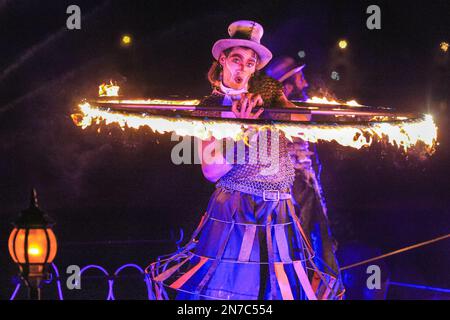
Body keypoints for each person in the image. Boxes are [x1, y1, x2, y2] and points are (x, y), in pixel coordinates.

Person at [148, 20, 343, 300]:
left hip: (279, 208)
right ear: (223, 60)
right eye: (237, 60)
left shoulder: (270, 91)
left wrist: (278, 110)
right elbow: (211, 169)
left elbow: (302, 123)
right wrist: (243, 131)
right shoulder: (212, 107)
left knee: (280, 290)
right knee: (237, 291)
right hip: (238, 208)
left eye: (250, 63)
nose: (243, 68)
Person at [266, 57, 345, 298]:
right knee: (301, 246)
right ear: (287, 87)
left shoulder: (298, 110)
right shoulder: (282, 113)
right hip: (294, 185)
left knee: (316, 244)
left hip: (306, 182)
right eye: (300, 77)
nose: (306, 82)